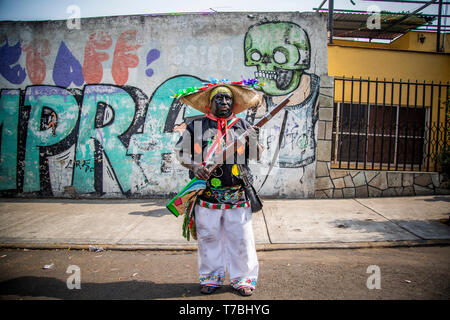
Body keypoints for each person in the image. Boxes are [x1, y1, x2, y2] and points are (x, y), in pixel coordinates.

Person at [173, 80, 264, 296]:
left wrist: (254, 140)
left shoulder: (241, 126)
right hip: (206, 194)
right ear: (210, 103)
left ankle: (242, 279)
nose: (224, 101)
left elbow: (257, 155)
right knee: (208, 237)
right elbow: (181, 153)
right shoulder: (196, 126)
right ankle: (211, 278)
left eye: (228, 98)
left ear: (233, 103)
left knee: (241, 238)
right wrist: (194, 166)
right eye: (219, 98)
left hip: (237, 193)